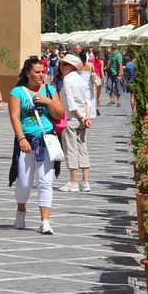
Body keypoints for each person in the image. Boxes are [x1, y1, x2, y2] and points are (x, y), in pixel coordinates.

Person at [8, 57, 64, 235]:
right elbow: (15, 117)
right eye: (37, 72)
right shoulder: (17, 92)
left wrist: (48, 101)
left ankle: (45, 221)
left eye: (43, 72)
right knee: (24, 183)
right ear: (28, 73)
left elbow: (60, 112)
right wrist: (21, 138)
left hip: (46, 140)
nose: (41, 75)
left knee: (45, 181)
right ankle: (21, 210)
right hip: (26, 140)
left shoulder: (50, 90)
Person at [58, 54, 92, 193]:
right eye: (61, 64)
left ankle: (73, 182)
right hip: (83, 118)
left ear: (71, 66)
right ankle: (85, 181)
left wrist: (79, 117)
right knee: (82, 148)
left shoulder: (67, 79)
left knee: (71, 149)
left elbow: (71, 103)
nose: (62, 66)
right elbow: (87, 101)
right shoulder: (82, 80)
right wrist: (86, 117)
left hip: (72, 118)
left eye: (65, 64)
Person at [77, 51, 97, 119]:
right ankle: (90, 113)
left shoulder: (78, 65)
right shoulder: (90, 64)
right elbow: (94, 73)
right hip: (89, 83)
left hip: (81, 83)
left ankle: (83, 112)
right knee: (90, 98)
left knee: (82, 98)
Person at [91, 48, 105, 115]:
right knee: (99, 95)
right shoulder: (101, 61)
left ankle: (92, 107)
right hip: (98, 78)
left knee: (93, 94)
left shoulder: (90, 60)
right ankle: (98, 108)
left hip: (92, 77)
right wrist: (104, 79)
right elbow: (102, 71)